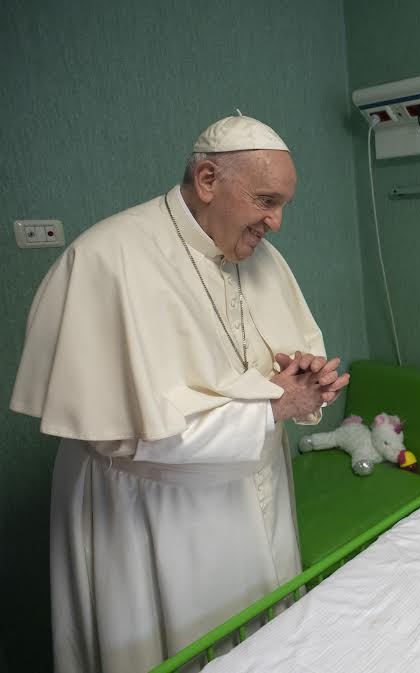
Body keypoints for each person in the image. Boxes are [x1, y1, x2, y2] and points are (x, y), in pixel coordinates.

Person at [10, 114, 350, 673]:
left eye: (283, 204)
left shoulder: (260, 257)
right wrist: (274, 407)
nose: (277, 222)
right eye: (267, 201)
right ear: (208, 179)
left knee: (260, 645)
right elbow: (127, 437)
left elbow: (273, 366)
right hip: (153, 513)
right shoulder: (107, 258)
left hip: (257, 494)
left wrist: (304, 384)